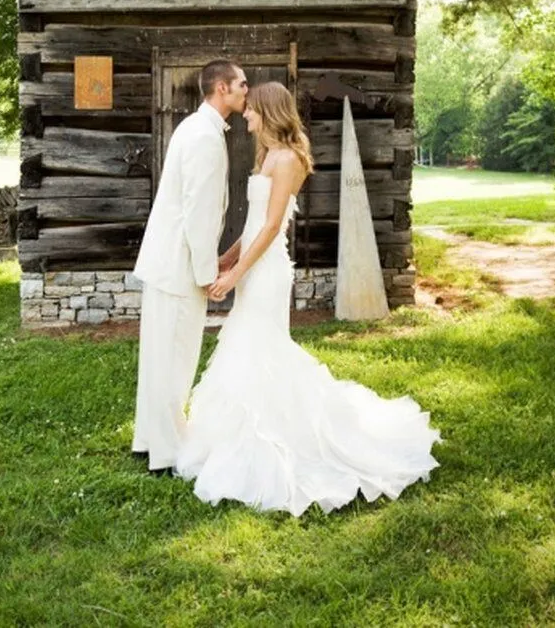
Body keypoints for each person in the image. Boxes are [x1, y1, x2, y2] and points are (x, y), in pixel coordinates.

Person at [175, 81, 441, 515]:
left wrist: (237, 273)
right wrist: (225, 259)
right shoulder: (265, 156)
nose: (246, 116)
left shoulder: (290, 159)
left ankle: (283, 438)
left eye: (252, 110)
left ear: (268, 110)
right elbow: (251, 225)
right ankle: (236, 436)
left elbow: (271, 227)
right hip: (251, 267)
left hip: (267, 273)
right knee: (247, 346)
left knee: (261, 349)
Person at [132, 59, 248, 472]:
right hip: (178, 266)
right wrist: (206, 274)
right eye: (241, 84)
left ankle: (150, 439)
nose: (246, 91)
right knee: (174, 359)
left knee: (161, 356)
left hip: (169, 262)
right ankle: (166, 453)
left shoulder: (195, 128)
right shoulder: (203, 136)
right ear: (220, 88)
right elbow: (198, 213)